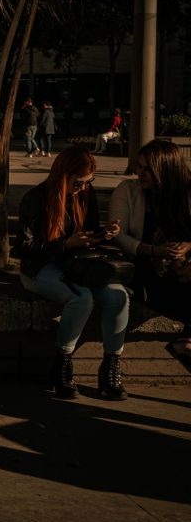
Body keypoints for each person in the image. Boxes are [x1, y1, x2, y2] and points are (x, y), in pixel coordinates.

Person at [16, 145, 129, 401]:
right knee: (81, 299)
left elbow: (89, 232)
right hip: (40, 267)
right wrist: (64, 245)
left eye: (88, 182)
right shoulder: (36, 198)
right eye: (78, 183)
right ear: (63, 175)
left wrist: (104, 234)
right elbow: (24, 247)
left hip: (78, 264)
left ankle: (111, 366)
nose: (82, 188)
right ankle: (62, 364)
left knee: (118, 296)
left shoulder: (85, 195)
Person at [109, 139, 191, 358]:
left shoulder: (186, 192)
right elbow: (118, 237)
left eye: (148, 169)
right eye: (139, 166)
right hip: (144, 269)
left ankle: (185, 342)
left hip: (183, 268)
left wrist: (187, 246)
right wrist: (154, 251)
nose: (140, 173)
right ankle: (185, 342)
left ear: (166, 169)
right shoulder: (128, 191)